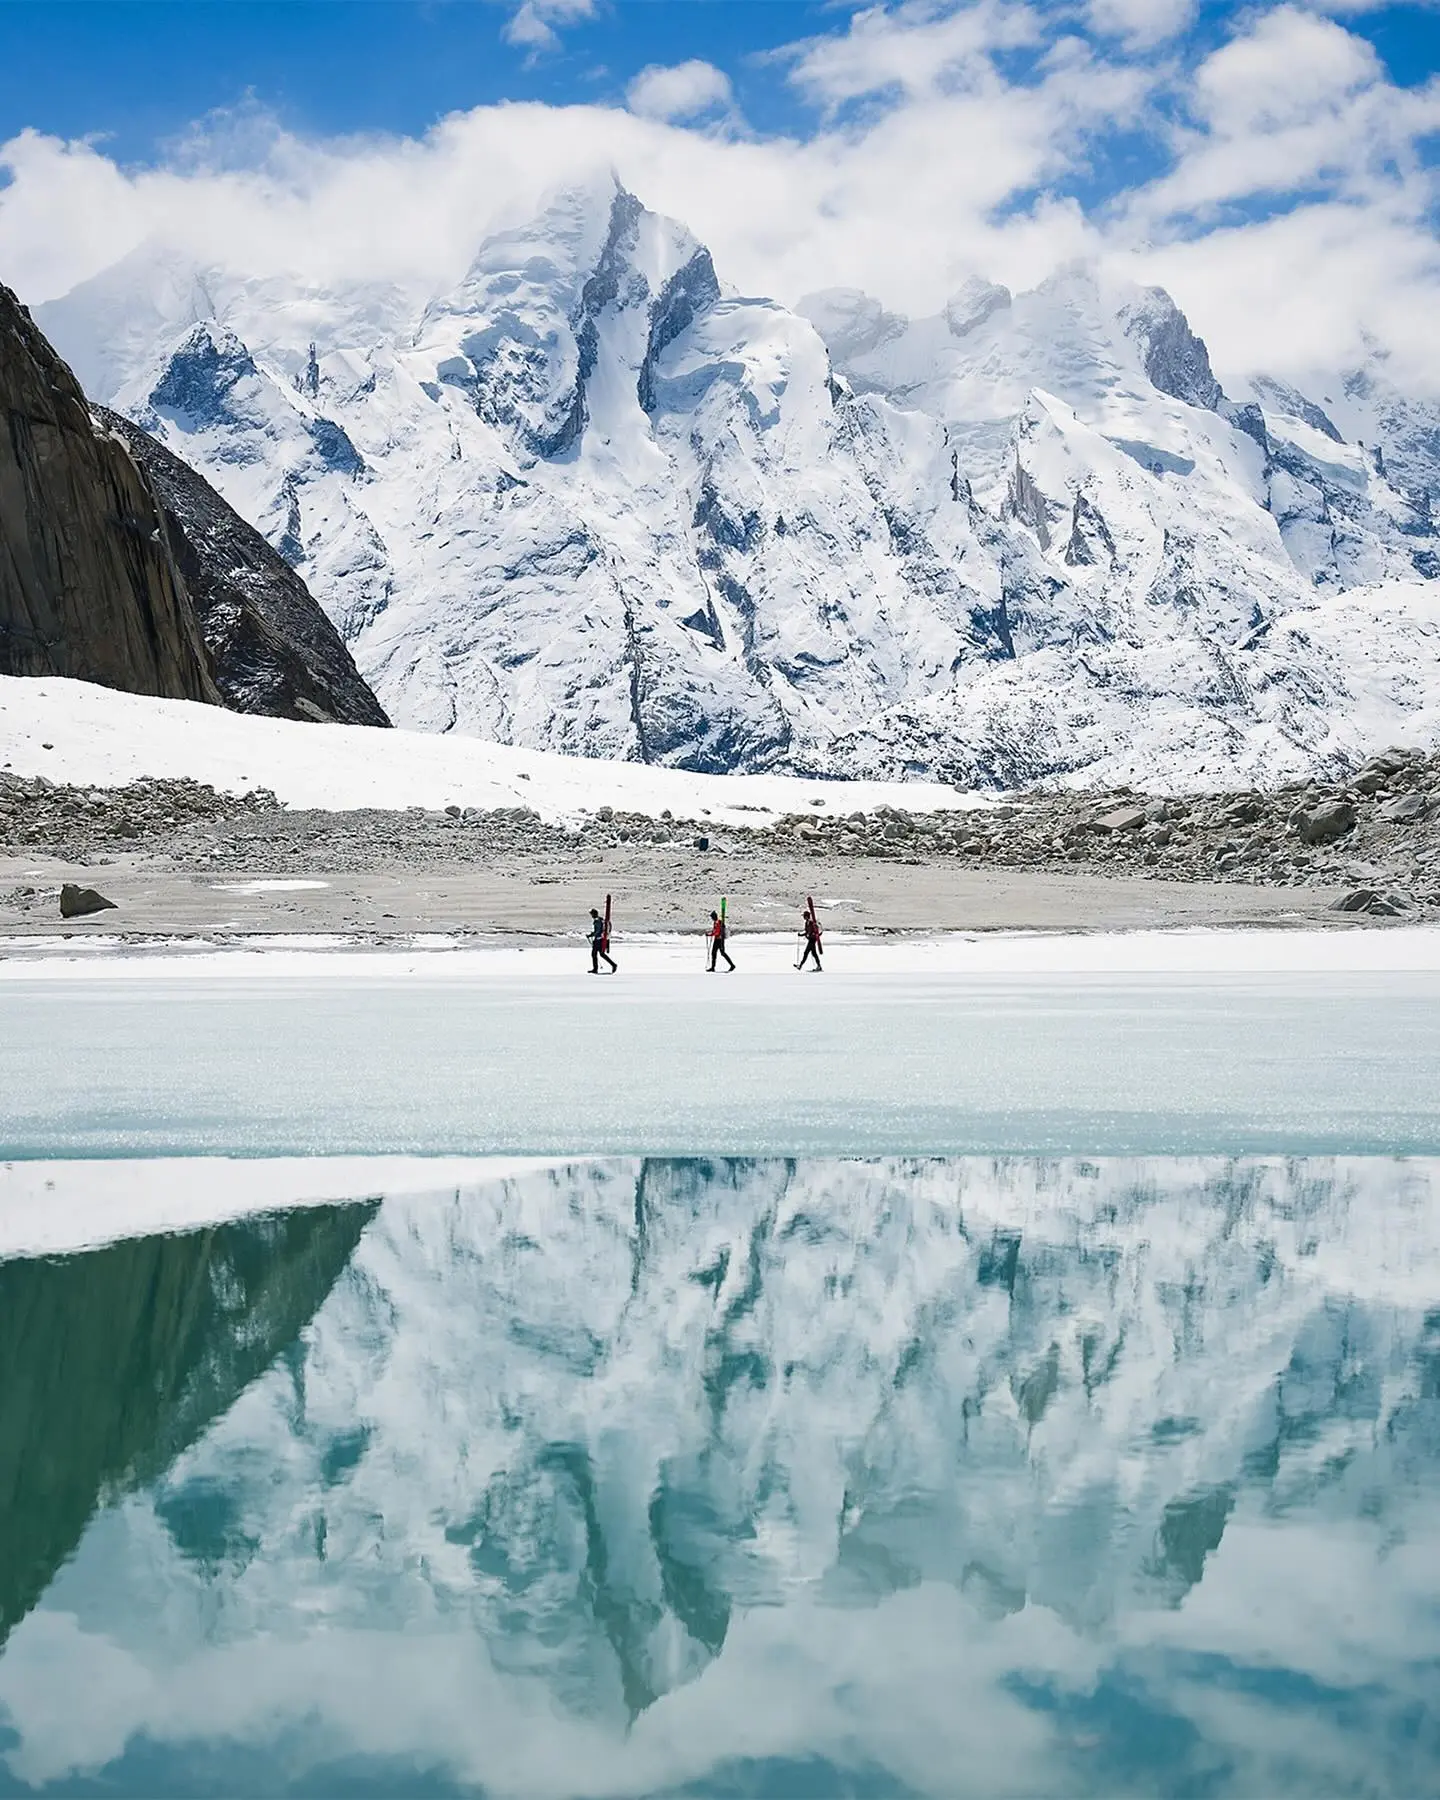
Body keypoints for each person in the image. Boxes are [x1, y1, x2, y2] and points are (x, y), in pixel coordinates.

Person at [589, 907, 616, 974]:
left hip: (598, 940)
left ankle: (595, 969)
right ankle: (613, 965)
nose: (591, 916)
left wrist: (591, 935)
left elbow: (597, 931)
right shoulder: (601, 920)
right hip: (601, 939)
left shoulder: (597, 921)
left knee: (594, 954)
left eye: (591, 914)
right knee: (601, 954)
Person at [798, 906, 822, 972]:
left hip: (812, 940)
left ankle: (800, 965)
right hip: (810, 939)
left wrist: (813, 934)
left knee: (806, 952)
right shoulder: (806, 923)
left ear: (806, 916)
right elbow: (807, 932)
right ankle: (819, 966)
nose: (803, 917)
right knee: (814, 953)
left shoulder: (812, 923)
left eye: (804, 916)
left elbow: (815, 931)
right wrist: (801, 935)